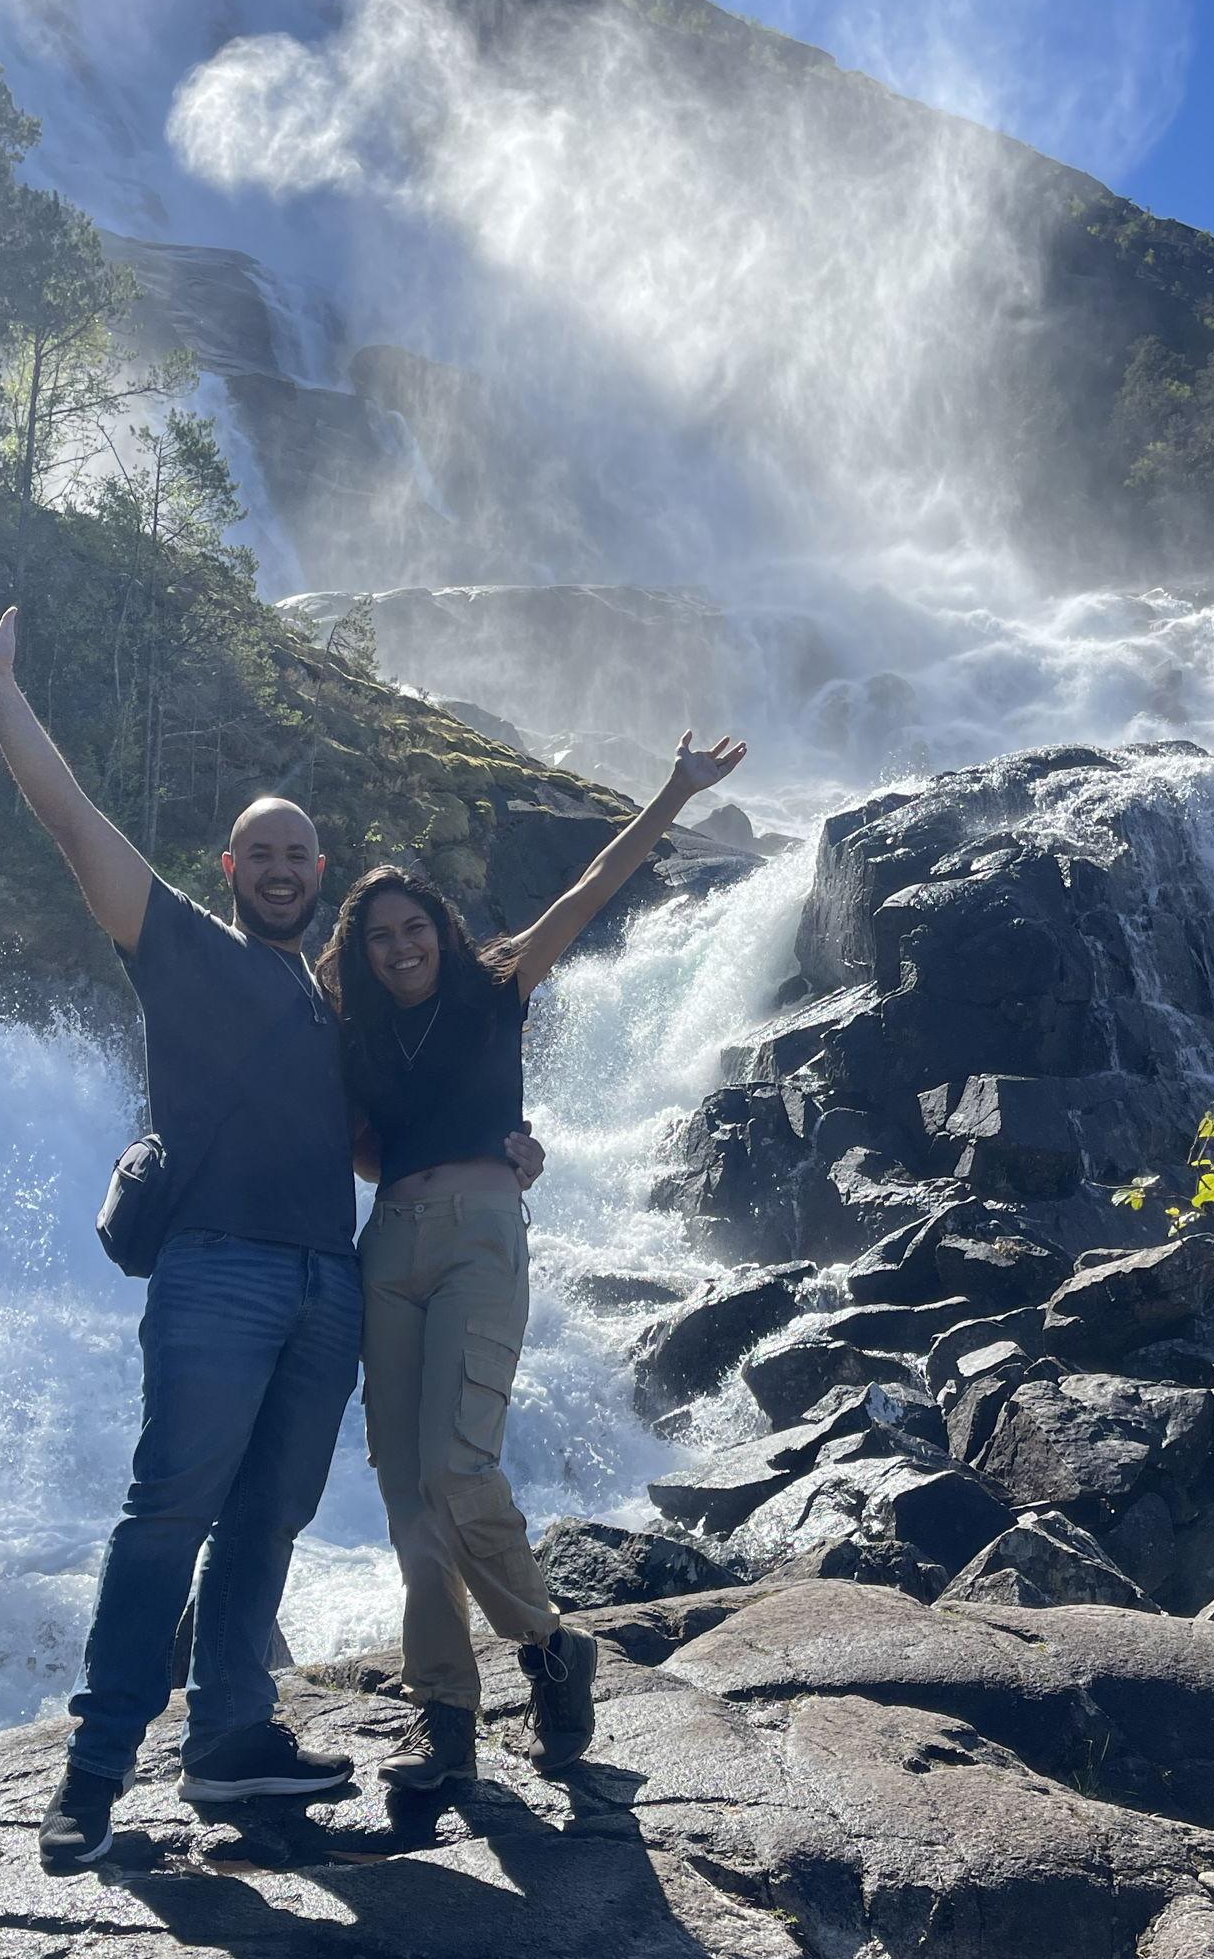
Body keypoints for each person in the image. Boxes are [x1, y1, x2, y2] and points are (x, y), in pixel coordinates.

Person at [0, 580, 546, 1869]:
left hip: (330, 1286)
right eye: (258, 852)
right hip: (219, 1274)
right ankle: (93, 1776)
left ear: (320, 875)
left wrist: (499, 1150)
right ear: (230, 869)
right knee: (167, 1513)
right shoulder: (180, 947)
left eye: (296, 854)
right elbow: (71, 819)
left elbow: (385, 1135)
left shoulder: (332, 1007)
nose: (277, 868)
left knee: (267, 1523)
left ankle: (229, 1742)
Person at [315, 724, 747, 1791]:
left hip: (479, 1235)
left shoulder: (494, 984)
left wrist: (674, 790)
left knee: (455, 1469)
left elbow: (593, 888)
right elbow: (363, 1150)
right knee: (405, 1489)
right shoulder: (354, 1033)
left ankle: (549, 1646)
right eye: (380, 937)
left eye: (414, 927)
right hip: (388, 1246)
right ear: (361, 951)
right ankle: (444, 1713)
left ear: (441, 928)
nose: (400, 947)